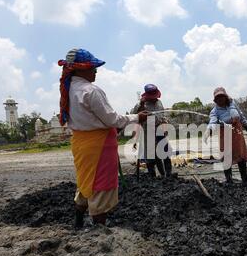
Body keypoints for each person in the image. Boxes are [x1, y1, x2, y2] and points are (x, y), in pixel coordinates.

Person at [58, 48, 148, 228]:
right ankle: (100, 230)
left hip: (81, 145)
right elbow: (112, 119)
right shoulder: (90, 91)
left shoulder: (69, 91)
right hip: (98, 147)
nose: (96, 71)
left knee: (85, 182)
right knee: (101, 186)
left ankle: (78, 224)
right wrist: (138, 117)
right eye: (92, 67)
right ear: (80, 69)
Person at [204, 87, 247, 186]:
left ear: (226, 97)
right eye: (217, 98)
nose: (220, 99)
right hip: (224, 134)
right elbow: (212, 122)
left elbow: (241, 116)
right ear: (215, 100)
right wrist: (207, 132)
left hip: (237, 133)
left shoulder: (233, 105)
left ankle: (245, 181)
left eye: (221, 97)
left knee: (241, 156)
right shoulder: (214, 111)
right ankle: (229, 180)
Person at [132, 84, 173, 178]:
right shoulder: (141, 104)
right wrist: (141, 105)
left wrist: (164, 124)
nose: (155, 99)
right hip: (148, 130)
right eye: (152, 97)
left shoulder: (159, 103)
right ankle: (153, 177)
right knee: (151, 156)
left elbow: (162, 116)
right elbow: (134, 116)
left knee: (165, 152)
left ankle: (168, 175)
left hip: (159, 129)